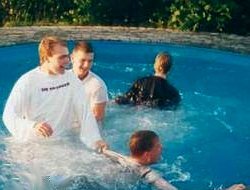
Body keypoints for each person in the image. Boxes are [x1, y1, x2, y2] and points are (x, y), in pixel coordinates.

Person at [2, 36, 107, 150]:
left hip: (63, 143)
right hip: (34, 145)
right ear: (47, 57)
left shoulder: (71, 79)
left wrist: (96, 140)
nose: (67, 61)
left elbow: (85, 114)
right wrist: (32, 126)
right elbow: (9, 116)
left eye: (67, 56)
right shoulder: (28, 81)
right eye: (61, 57)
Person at [103, 130, 247, 190]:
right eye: (158, 146)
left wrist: (102, 147)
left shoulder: (118, 157)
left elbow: (103, 151)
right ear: (147, 155)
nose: (162, 148)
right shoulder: (148, 174)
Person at [115, 52, 180, 109]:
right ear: (169, 69)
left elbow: (124, 100)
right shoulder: (174, 93)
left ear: (155, 65)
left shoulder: (140, 82)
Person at [71, 41, 108, 126]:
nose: (86, 65)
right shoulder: (61, 78)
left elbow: (98, 117)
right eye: (83, 60)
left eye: (90, 61)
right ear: (72, 58)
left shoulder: (98, 85)